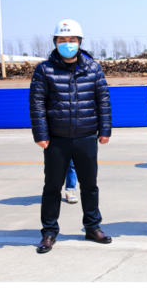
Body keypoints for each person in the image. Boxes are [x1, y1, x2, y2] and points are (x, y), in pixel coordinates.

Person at [29, 18, 112, 255]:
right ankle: (49, 232)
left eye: (72, 39)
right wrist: (41, 134)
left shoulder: (93, 68)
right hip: (56, 139)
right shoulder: (44, 69)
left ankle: (92, 227)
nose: (68, 44)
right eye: (63, 40)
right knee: (52, 186)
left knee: (90, 185)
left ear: (80, 42)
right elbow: (37, 104)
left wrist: (105, 129)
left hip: (86, 137)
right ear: (55, 42)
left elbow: (103, 100)